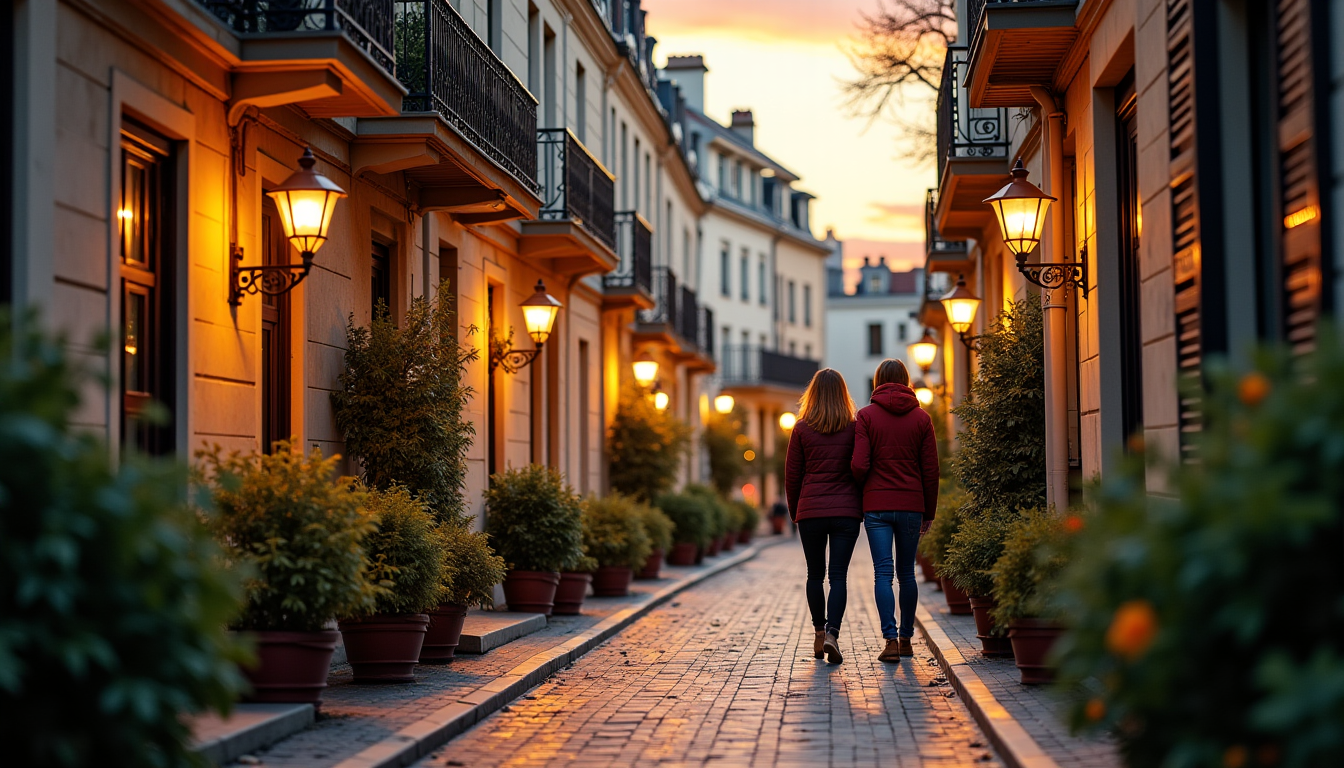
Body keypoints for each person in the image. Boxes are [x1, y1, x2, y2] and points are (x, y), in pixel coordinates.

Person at [852, 358, 939, 663]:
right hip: (911, 504)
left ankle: (889, 640)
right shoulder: (921, 419)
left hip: (876, 506)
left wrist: (865, 485)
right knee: (907, 574)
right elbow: (931, 471)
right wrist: (929, 511)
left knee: (883, 573)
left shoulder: (865, 417)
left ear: (877, 382)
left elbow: (859, 464)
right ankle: (906, 639)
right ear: (906, 381)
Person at [785, 368, 863, 664]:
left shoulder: (801, 428)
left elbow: (792, 476)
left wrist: (796, 511)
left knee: (814, 575)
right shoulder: (855, 428)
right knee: (839, 576)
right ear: (843, 395)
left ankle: (819, 634)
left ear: (813, 394)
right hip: (846, 512)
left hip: (811, 512)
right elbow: (861, 467)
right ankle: (832, 633)